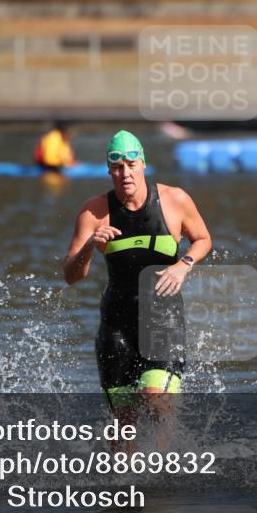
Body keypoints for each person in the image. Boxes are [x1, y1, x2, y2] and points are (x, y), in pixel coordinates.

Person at [63, 130, 211, 416]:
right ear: (109, 170)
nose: (125, 174)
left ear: (143, 164)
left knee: (155, 401)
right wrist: (91, 247)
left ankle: (164, 461)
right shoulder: (94, 212)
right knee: (123, 422)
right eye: (117, 168)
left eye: (131, 165)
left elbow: (203, 239)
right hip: (116, 326)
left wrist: (184, 265)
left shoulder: (174, 200)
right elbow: (71, 275)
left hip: (162, 324)